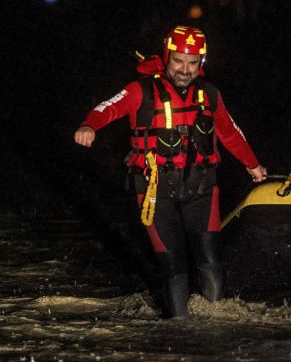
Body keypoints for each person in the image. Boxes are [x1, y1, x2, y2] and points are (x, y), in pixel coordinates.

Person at [74, 25, 267, 317]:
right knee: (173, 263)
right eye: (178, 61)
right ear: (166, 57)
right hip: (155, 191)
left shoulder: (209, 93)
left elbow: (229, 132)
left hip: (202, 188)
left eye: (192, 63)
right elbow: (107, 108)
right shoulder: (141, 90)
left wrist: (252, 164)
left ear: (201, 63)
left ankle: (216, 328)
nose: (185, 70)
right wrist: (89, 125)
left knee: (210, 262)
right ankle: (180, 332)